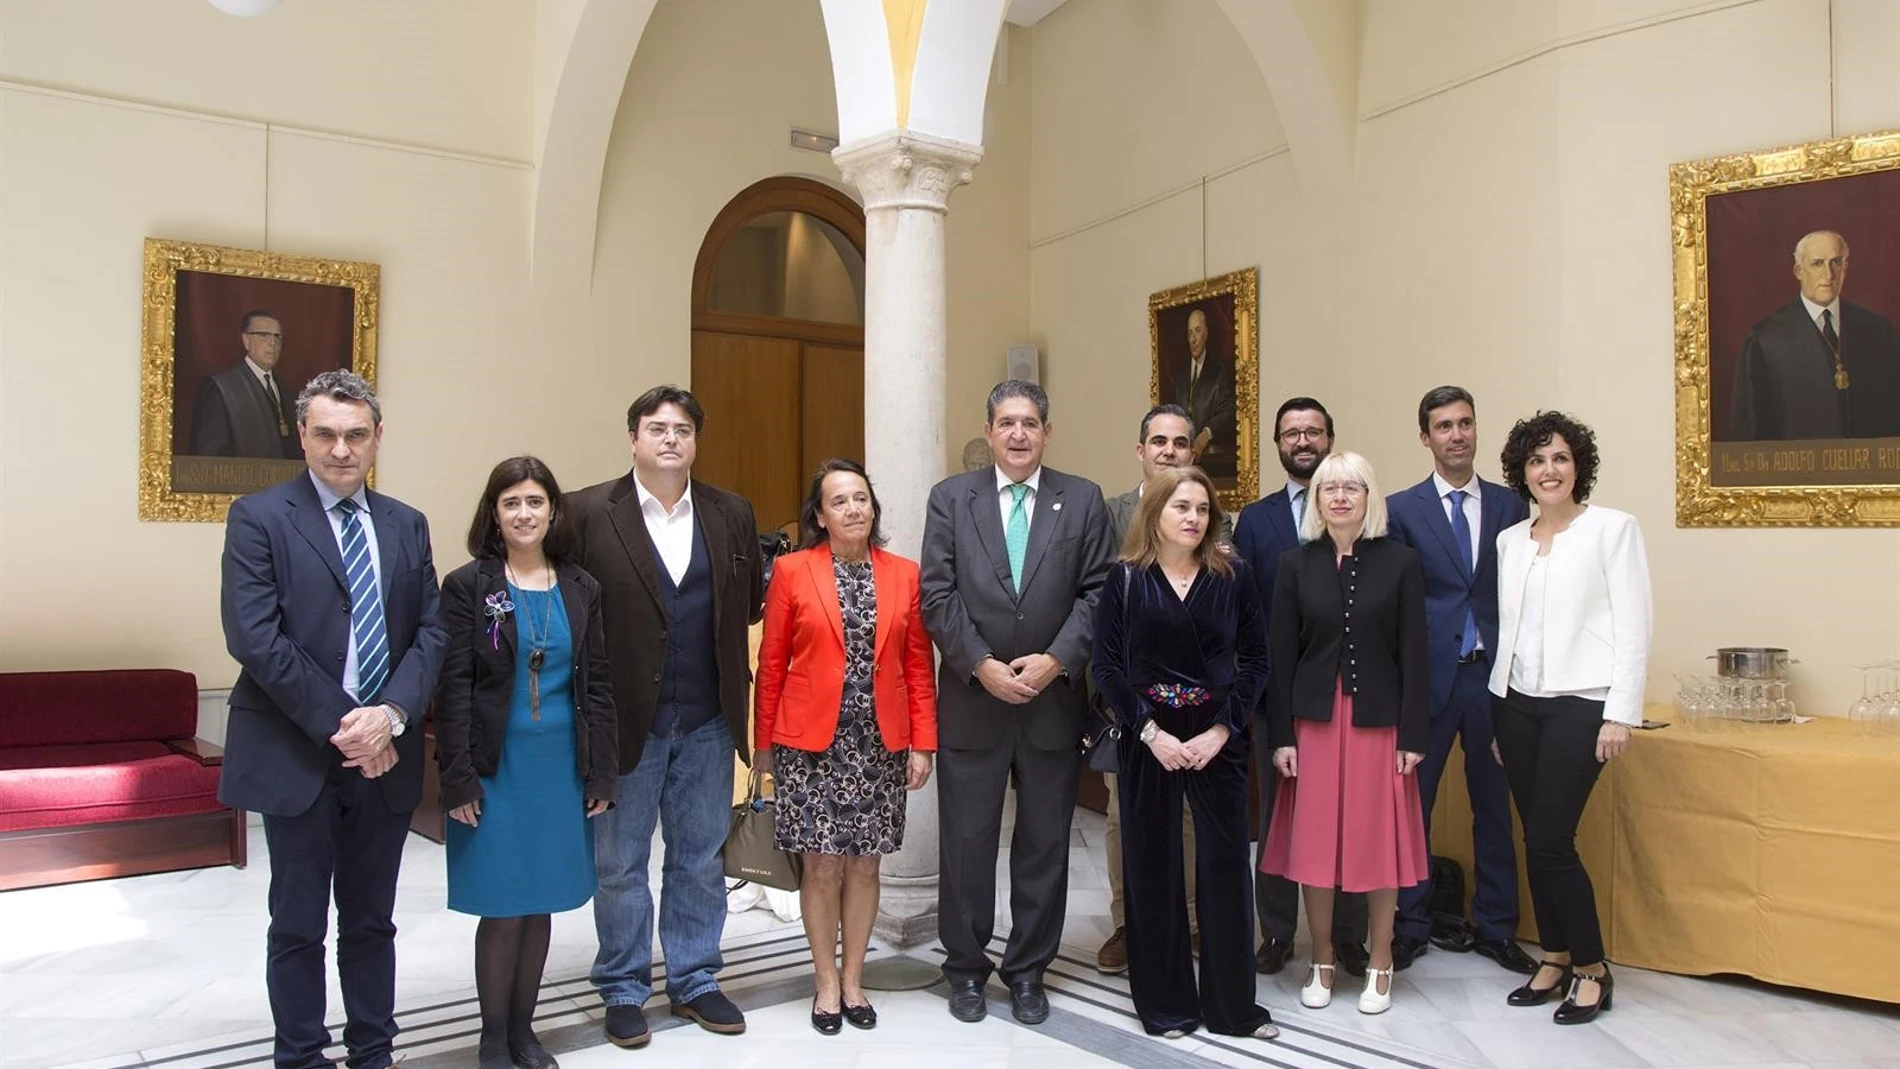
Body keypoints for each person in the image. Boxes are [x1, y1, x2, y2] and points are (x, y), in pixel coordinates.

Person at [217, 369, 448, 1069]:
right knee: (297, 923)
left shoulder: (407, 524)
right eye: (326, 434)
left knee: (372, 921)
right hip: (298, 754)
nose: (341, 449)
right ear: (302, 435)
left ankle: (373, 1050)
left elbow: (432, 632)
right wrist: (352, 724)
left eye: (355, 434)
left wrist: (393, 714)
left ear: (378, 437)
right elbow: (254, 637)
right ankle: (300, 1055)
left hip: (386, 755)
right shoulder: (258, 517)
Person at [568, 386, 765, 1048]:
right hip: (626, 720)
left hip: (709, 715)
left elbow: (749, 605)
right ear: (633, 438)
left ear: (695, 441)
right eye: (657, 428)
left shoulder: (730, 513)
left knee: (700, 855)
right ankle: (624, 985)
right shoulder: (589, 511)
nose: (670, 439)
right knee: (619, 861)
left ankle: (696, 976)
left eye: (682, 428)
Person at [921, 379, 1114, 1025]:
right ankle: (967, 970)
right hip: (973, 703)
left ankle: (1029, 969)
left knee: (1043, 846)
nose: (1019, 433)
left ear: (1048, 431)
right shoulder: (951, 498)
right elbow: (937, 595)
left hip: (1050, 704)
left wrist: (1057, 658)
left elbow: (1098, 593)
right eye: (1007, 422)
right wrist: (981, 664)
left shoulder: (1082, 500)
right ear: (990, 427)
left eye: (1030, 422)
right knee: (968, 846)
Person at [435, 457, 619, 1069]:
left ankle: (524, 1031)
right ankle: (493, 1036)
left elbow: (597, 685)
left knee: (540, 900)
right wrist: (457, 774)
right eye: (511, 502)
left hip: (559, 767)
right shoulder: (471, 586)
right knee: (502, 901)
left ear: (552, 512)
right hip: (495, 766)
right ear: (494, 512)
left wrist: (601, 772)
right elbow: (455, 686)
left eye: (535, 502)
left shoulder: (580, 587)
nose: (524, 513)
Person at [752, 459, 938, 1035]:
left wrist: (923, 742)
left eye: (861, 498)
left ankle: (854, 979)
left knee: (865, 865)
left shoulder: (904, 574)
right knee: (823, 863)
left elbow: (916, 666)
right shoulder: (792, 571)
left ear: (873, 508)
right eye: (840, 501)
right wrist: (763, 747)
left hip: (879, 742)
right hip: (809, 744)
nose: (854, 509)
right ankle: (825, 981)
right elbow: (773, 662)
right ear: (820, 515)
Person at [1091, 466, 1277, 1041]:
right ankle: (1166, 1004)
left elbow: (1255, 662)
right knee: (1154, 870)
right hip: (1150, 739)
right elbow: (1107, 669)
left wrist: (1222, 731)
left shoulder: (1232, 576)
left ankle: (1232, 1008)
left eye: (1202, 509)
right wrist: (1151, 734)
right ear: (1156, 515)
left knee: (1224, 872)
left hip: (1218, 736)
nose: (1193, 518)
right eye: (1181, 507)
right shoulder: (1125, 580)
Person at [1490, 411, 1652, 1025]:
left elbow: (1634, 623)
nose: (1548, 470)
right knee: (1535, 839)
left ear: (1577, 465)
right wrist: (1499, 704)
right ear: (1522, 473)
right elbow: (1509, 629)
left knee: (1554, 841)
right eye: (1536, 460)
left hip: (1583, 704)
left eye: (1559, 457)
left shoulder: (1613, 529)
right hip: (1516, 704)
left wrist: (1622, 715)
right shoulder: (1512, 540)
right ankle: (1553, 957)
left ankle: (1591, 966)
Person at [1260, 451, 1429, 1016]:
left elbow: (1415, 655)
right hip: (1313, 726)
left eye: (1351, 487)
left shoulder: (1401, 562)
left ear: (1368, 496)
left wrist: (1413, 735)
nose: (1339, 497)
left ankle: (1380, 959)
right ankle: (1323, 959)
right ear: (1316, 499)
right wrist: (1281, 736)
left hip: (1380, 725)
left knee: (1377, 843)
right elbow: (1280, 658)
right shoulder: (1295, 564)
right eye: (1328, 488)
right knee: (1316, 847)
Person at [1385, 387, 1536, 975]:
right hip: (1428, 682)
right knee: (1411, 810)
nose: (1457, 435)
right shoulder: (1401, 509)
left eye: (1465, 423)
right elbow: (1395, 604)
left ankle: (1498, 928)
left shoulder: (1510, 506)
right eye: (1444, 426)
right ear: (1425, 437)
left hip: (1493, 681)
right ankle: (1410, 924)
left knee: (1495, 808)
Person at [1230, 398, 1368, 979]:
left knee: (1351, 817)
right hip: (1274, 697)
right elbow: (1242, 609)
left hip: (1351, 699)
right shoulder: (1256, 521)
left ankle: (1352, 939)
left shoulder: (1362, 517)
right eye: (1292, 433)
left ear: (1330, 438)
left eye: (1314, 431)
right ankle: (1279, 931)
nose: (1303, 441)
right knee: (1281, 818)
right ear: (1278, 444)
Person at [1094, 403, 1230, 975]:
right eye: (1158, 441)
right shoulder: (1109, 513)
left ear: (1191, 453)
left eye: (1180, 442)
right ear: (1140, 450)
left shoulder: (1215, 518)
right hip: (1128, 698)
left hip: (1197, 702)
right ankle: (1130, 923)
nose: (1169, 450)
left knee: (1193, 816)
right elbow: (1097, 603)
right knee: (1127, 815)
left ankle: (1194, 921)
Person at [1728, 230, 1900, 440]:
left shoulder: (1878, 330)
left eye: (1835, 262)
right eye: (1817, 264)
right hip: (1796, 470)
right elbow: (1750, 433)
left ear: (1845, 268)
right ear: (1799, 271)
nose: (1828, 275)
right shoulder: (1764, 340)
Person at [190, 310, 299, 459]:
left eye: (277, 336)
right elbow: (209, 457)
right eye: (263, 335)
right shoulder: (222, 390)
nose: (273, 343)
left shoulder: (288, 393)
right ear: (246, 341)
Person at [1166, 308, 1237, 478]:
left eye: (1197, 331)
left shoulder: (1218, 371)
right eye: (1189, 333)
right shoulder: (1180, 376)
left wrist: (1206, 433)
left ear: (1206, 333)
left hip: (1213, 462)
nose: (1193, 339)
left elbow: (1228, 411)